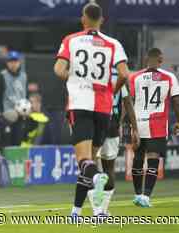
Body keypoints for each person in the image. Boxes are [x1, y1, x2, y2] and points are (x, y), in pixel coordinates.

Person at [54, 3, 138, 217]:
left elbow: (59, 70)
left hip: (80, 104)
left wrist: (75, 78)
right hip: (103, 108)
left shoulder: (71, 40)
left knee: (84, 162)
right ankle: (78, 211)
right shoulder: (113, 44)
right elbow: (125, 74)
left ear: (83, 18)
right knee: (90, 159)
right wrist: (111, 90)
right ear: (102, 20)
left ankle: (96, 181)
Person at [130, 48, 179, 207]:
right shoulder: (169, 77)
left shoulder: (135, 77)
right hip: (157, 124)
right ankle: (146, 196)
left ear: (146, 59)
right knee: (153, 159)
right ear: (161, 60)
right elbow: (177, 100)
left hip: (138, 123)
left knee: (138, 159)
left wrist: (125, 124)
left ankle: (138, 194)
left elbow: (129, 101)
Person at [88, 69, 139, 215]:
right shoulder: (119, 77)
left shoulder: (93, 75)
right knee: (109, 168)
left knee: (89, 165)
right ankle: (103, 210)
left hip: (93, 126)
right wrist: (134, 128)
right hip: (112, 127)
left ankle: (97, 211)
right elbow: (128, 103)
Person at [0, 50, 28, 146]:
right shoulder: (2, 75)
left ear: (19, 63)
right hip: (8, 114)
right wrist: (0, 113)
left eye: (15, 61)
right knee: (6, 141)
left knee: (18, 140)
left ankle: (17, 160)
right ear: (7, 63)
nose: (13, 64)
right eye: (11, 62)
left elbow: (25, 93)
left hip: (21, 114)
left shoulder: (24, 76)